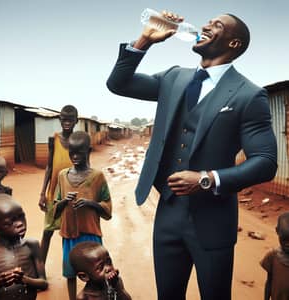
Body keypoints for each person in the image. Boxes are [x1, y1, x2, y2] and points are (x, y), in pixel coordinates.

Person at [106, 11, 278, 300]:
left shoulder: (249, 95)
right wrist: (145, 39)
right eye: (208, 21)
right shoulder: (174, 78)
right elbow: (118, 84)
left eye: (217, 25)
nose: (206, 25)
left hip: (213, 221)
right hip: (168, 215)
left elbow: (265, 162)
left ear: (234, 44)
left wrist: (207, 179)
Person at [53, 131, 112, 300]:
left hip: (91, 234)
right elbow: (55, 209)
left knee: (98, 273)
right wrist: (64, 201)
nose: (75, 156)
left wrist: (91, 203)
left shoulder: (97, 177)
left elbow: (107, 209)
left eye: (80, 152)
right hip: (69, 235)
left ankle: (102, 297)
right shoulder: (63, 176)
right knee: (70, 272)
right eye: (72, 152)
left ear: (89, 151)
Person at [38, 104, 78, 264]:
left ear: (76, 121)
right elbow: (49, 166)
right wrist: (42, 193)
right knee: (47, 231)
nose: (66, 123)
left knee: (68, 235)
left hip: (72, 193)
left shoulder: (79, 140)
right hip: (53, 193)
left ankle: (69, 271)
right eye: (63, 119)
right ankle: (40, 270)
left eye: (70, 120)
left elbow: (86, 167)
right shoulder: (53, 139)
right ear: (60, 120)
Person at [0, 194, 48, 300]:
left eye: (21, 216)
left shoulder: (31, 245)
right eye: (10, 223)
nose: (20, 224)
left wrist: (24, 279)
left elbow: (43, 283)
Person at [260, 212, 289, 300]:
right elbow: (269, 282)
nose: (288, 244)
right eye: (284, 239)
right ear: (277, 231)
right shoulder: (272, 257)